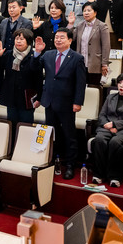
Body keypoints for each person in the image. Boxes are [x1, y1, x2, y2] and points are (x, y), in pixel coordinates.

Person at [30, 28, 86, 180]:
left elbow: (80, 83)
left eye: (62, 37)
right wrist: (37, 52)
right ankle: (53, 160)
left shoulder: (77, 58)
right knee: (51, 134)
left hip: (67, 103)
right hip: (49, 101)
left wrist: (78, 102)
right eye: (56, 37)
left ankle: (70, 165)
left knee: (69, 135)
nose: (58, 40)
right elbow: (34, 69)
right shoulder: (48, 55)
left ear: (70, 40)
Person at [90, 73, 123, 188]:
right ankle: (99, 174)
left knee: (115, 142)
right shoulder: (110, 97)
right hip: (107, 128)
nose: (121, 86)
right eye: (119, 83)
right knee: (99, 139)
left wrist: (115, 125)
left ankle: (114, 176)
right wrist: (108, 125)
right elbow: (102, 115)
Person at [0, 29, 42, 127]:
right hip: (11, 96)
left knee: (25, 126)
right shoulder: (8, 54)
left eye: (22, 39)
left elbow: (38, 79)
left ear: (28, 41)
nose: (18, 41)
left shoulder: (34, 56)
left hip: (27, 98)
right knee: (11, 125)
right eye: (16, 39)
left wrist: (39, 98)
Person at [68, 2, 110, 86]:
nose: (86, 13)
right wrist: (71, 24)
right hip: (81, 63)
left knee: (94, 88)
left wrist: (104, 63)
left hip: (95, 63)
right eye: (84, 11)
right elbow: (71, 38)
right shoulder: (80, 25)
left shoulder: (102, 26)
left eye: (89, 10)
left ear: (95, 13)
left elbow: (106, 46)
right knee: (80, 87)